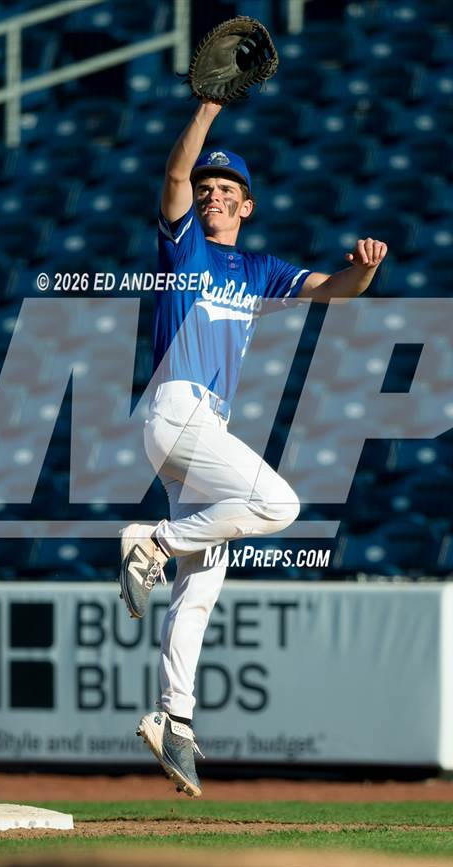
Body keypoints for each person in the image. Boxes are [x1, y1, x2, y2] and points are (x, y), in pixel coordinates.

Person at [119, 100, 387, 797]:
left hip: (199, 427)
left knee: (202, 583)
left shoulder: (257, 268)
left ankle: (173, 718)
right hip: (176, 407)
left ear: (248, 205)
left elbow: (337, 290)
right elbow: (177, 171)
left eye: (226, 190)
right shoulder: (185, 248)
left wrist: (365, 269)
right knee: (278, 502)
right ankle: (152, 539)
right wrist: (207, 106)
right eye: (207, 189)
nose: (211, 194)